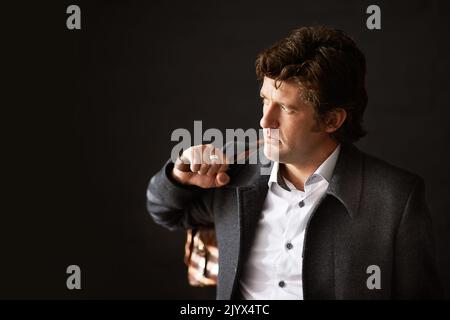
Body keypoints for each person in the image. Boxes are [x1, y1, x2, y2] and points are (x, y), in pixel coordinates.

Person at [146, 26, 442, 299]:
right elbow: (164, 211)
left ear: (332, 119)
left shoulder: (396, 199)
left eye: (286, 108)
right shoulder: (233, 171)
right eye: (265, 100)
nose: (265, 121)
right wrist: (180, 177)